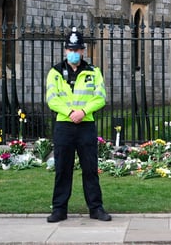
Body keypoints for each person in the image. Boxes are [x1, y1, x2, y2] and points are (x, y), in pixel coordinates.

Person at [46, 27, 111, 222]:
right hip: (64, 126)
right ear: (65, 50)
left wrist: (82, 112)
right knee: (62, 169)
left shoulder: (93, 72)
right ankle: (59, 210)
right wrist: (70, 113)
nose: (74, 53)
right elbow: (52, 98)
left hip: (85, 125)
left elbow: (100, 97)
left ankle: (96, 208)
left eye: (77, 50)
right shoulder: (55, 72)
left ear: (83, 51)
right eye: (70, 50)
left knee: (90, 168)